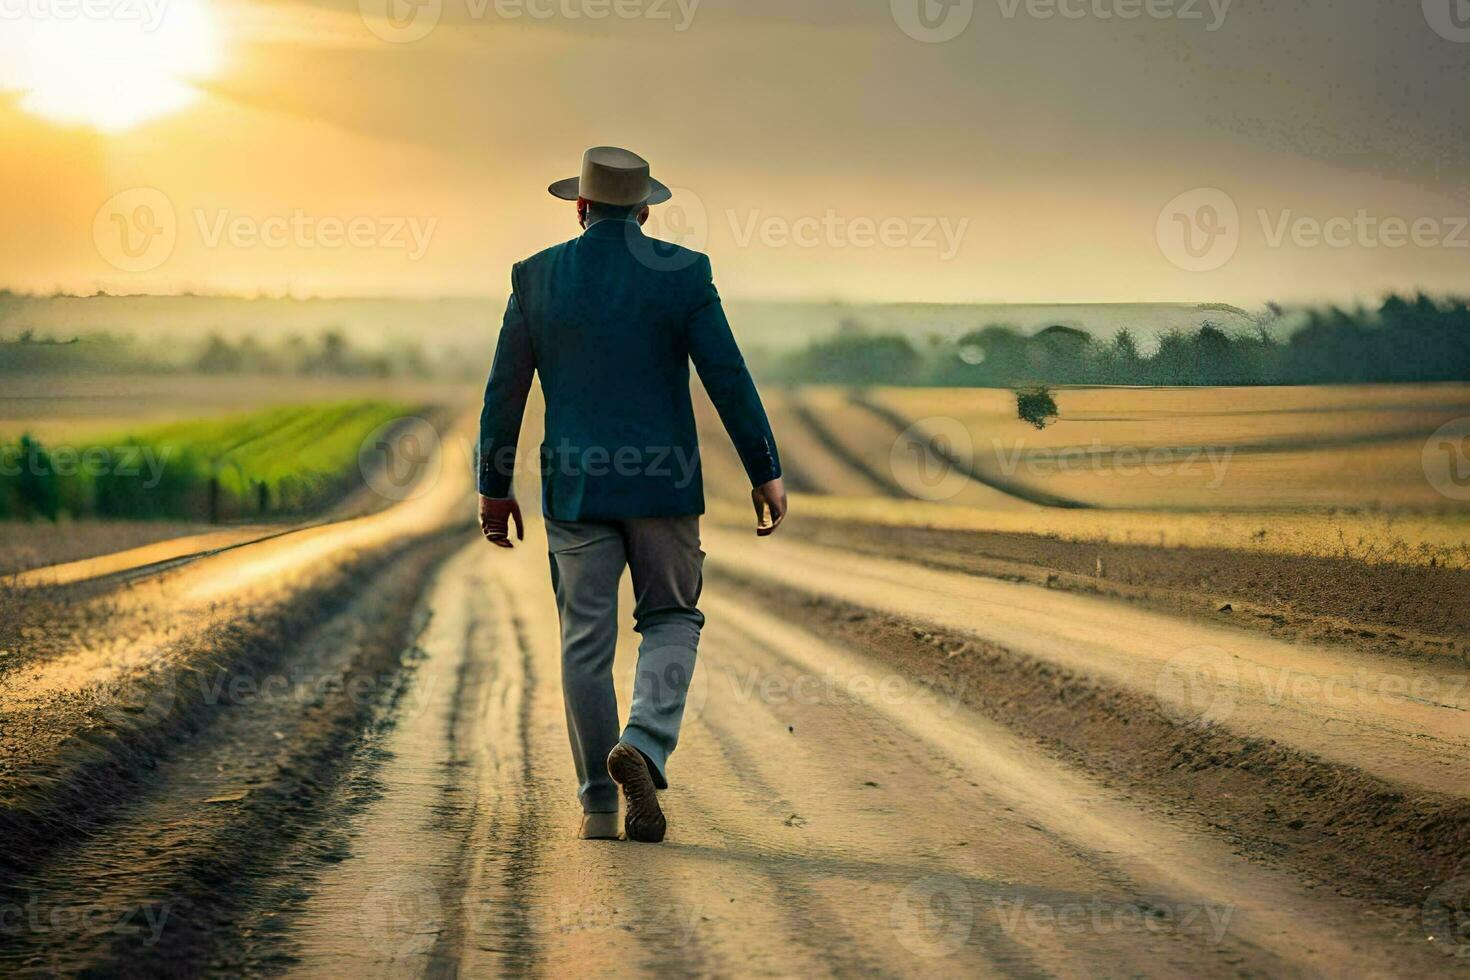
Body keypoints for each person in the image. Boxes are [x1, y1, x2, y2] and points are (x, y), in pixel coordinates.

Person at [476, 146, 787, 843]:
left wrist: (493, 487)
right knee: (672, 615)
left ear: (580, 208)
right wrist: (763, 466)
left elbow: (506, 390)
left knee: (584, 643)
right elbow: (726, 374)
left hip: (577, 490)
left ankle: (597, 806)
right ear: (645, 211)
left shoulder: (535, 277)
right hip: (664, 486)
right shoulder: (684, 273)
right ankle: (643, 744)